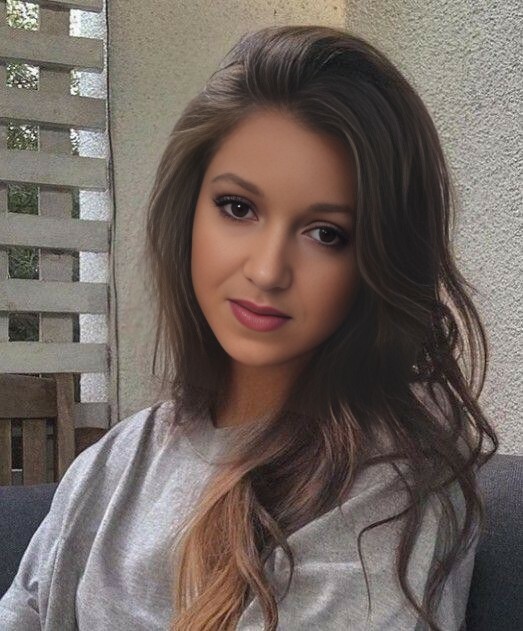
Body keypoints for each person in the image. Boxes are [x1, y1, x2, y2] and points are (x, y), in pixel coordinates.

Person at [0, 24, 498, 631]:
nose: (266, 271)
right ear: (188, 213)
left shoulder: (389, 485)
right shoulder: (114, 462)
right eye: (238, 208)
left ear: (379, 262)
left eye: (326, 234)